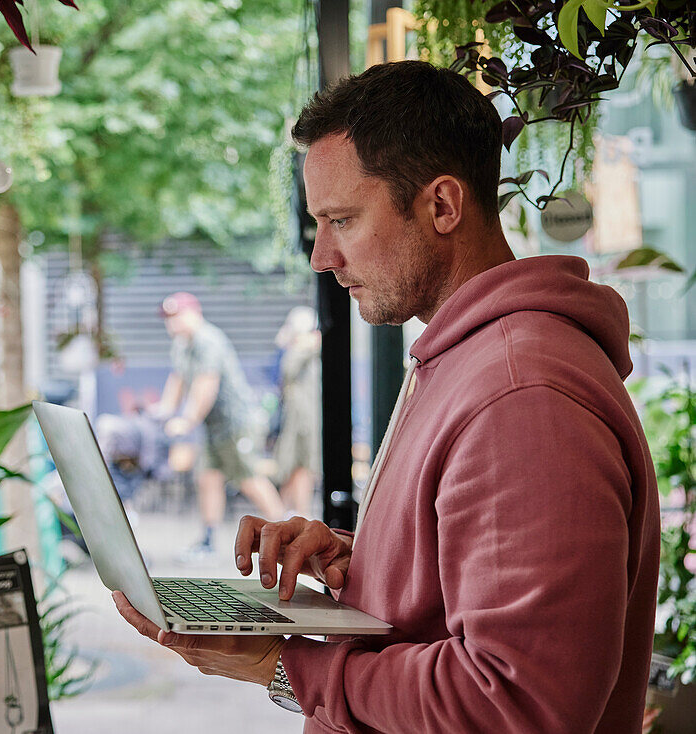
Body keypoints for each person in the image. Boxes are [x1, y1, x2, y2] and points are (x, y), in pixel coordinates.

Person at [114, 60, 659, 733]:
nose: (321, 256)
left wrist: (285, 668)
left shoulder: (523, 394)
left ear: (442, 205)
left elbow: (518, 704)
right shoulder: (472, 355)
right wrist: (365, 565)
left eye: (341, 219)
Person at [153, 291, 286, 558]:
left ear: (194, 313)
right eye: (168, 318)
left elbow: (206, 385)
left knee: (248, 477)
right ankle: (209, 541)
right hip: (214, 427)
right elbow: (178, 378)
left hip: (237, 424)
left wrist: (187, 421)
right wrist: (165, 409)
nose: (172, 323)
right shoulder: (181, 345)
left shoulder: (208, 340)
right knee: (208, 478)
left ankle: (286, 533)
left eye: (176, 315)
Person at [273, 306, 322, 518]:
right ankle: (289, 514)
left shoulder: (308, 347)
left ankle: (300, 514)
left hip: (305, 418)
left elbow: (288, 370)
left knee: (302, 466)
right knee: (291, 466)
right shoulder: (303, 348)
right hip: (296, 416)